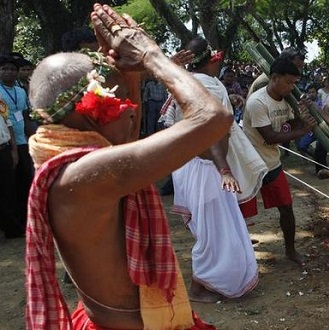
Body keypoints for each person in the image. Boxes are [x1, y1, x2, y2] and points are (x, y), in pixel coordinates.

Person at [25, 4, 232, 329]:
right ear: (92, 110)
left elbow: (127, 140)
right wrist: (153, 57)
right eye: (121, 101)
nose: (133, 112)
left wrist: (131, 74)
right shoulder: (82, 175)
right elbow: (214, 118)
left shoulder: (72, 164)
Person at [169, 37, 263, 303]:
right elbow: (214, 131)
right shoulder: (211, 86)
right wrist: (224, 169)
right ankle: (202, 284)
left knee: (211, 228)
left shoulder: (180, 84)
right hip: (208, 165)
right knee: (215, 230)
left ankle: (214, 280)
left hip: (187, 164)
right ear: (214, 59)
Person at [240, 57, 317, 266]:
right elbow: (270, 137)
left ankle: (290, 250)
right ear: (274, 78)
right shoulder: (257, 102)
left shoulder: (287, 99)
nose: (292, 87)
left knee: (286, 207)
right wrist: (302, 130)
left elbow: (287, 124)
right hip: (250, 164)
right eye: (289, 82)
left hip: (272, 162)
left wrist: (301, 118)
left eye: (294, 83)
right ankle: (240, 251)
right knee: (242, 212)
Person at [0, 54, 32, 234]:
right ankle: (10, 226)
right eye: (4, 69)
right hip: (6, 142)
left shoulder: (21, 91)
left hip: (22, 141)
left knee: (24, 181)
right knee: (8, 185)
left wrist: (32, 137)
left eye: (12, 69)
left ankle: (25, 220)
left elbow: (25, 115)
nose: (9, 72)